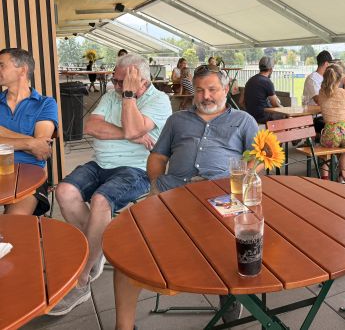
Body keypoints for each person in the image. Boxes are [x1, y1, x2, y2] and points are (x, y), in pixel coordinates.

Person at [113, 64, 259, 329]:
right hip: (172, 193)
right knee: (127, 249)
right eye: (200, 90)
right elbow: (158, 156)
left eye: (212, 89)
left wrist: (241, 184)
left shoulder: (244, 121)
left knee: (235, 243)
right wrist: (156, 185)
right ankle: (123, 326)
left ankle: (230, 295)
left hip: (222, 196)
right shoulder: (177, 120)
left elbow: (258, 159)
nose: (206, 96)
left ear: (226, 89)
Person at [51, 54, 171, 316]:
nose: (115, 85)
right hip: (100, 164)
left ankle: (82, 279)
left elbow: (134, 128)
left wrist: (128, 98)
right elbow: (91, 126)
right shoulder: (110, 95)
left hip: (136, 169)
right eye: (115, 80)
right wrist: (130, 135)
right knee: (64, 191)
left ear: (141, 80)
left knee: (101, 200)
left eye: (120, 81)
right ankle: (97, 247)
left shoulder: (159, 100)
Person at [0, 48, 57, 215]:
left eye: (1, 65)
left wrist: (2, 132)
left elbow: (41, 148)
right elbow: (37, 145)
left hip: (29, 174)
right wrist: (31, 143)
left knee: (14, 222)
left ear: (22, 70)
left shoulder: (45, 103)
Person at [318, 64, 345, 177]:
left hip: (330, 132)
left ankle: (325, 177)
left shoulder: (321, 92)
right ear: (341, 77)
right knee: (344, 152)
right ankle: (342, 178)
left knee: (325, 151)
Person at [242, 56, 281, 124]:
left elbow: (241, 102)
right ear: (271, 69)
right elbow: (275, 104)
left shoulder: (250, 80)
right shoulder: (267, 82)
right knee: (286, 117)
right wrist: (284, 109)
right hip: (263, 117)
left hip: (250, 116)